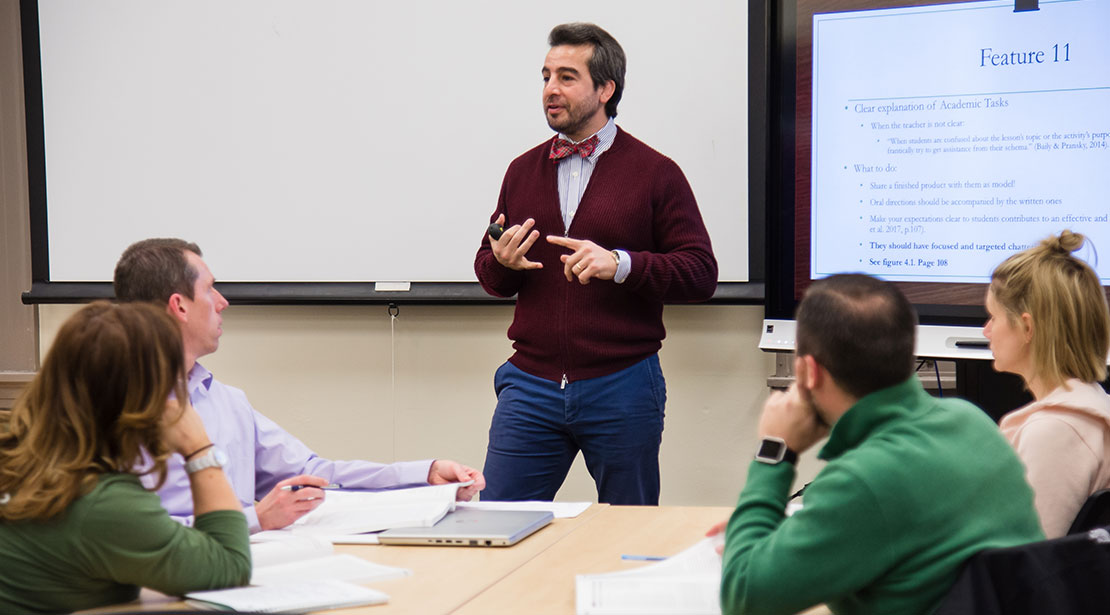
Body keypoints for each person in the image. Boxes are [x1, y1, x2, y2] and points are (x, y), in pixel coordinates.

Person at [473, 22, 717, 505]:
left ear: (605, 88)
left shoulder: (656, 173)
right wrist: (502, 261)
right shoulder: (522, 171)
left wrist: (620, 265)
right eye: (545, 76)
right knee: (496, 522)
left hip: (622, 385)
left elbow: (700, 273)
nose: (550, 90)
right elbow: (489, 272)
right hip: (530, 385)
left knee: (630, 530)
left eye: (567, 77)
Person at [712, 274, 1043, 615]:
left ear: (809, 372)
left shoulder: (862, 481)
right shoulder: (971, 422)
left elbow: (743, 597)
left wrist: (774, 450)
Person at [114, 238, 484, 533]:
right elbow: (128, 533)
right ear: (179, 307)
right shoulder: (114, 406)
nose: (223, 303)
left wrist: (425, 474)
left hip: (250, 569)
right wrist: (257, 519)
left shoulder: (225, 400)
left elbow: (315, 472)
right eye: (211, 290)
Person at [0, 302, 250, 613]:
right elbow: (230, 565)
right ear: (145, 399)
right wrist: (199, 448)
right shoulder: (100, 501)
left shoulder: (18, 448)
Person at [984, 230, 1110, 538]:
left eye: (993, 317)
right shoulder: (1091, 406)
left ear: (1027, 327)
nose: (986, 330)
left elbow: (1026, 561)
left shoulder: (1055, 432)